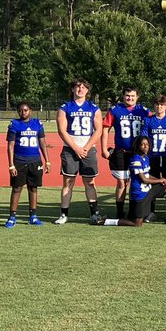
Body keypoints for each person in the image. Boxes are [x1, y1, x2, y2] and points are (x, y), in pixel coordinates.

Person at [97, 136, 166, 227]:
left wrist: (159, 180)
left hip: (148, 190)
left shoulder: (146, 158)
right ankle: (106, 221)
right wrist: (160, 180)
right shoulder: (135, 159)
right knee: (137, 223)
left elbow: (147, 175)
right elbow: (143, 179)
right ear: (137, 146)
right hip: (139, 194)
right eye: (142, 144)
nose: (145, 146)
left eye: (147, 144)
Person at [55, 79, 103, 224]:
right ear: (73, 89)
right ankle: (64, 214)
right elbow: (62, 131)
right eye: (77, 87)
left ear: (87, 90)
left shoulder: (94, 108)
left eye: (83, 87)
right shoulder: (65, 107)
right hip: (70, 149)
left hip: (88, 149)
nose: (80, 89)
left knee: (90, 182)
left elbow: (98, 130)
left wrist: (86, 148)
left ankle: (94, 213)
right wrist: (76, 148)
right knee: (68, 182)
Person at [101, 86, 149, 220]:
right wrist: (104, 148)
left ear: (137, 97)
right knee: (122, 182)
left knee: (138, 182)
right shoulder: (115, 110)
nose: (130, 98)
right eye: (127, 95)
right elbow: (105, 129)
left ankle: (138, 210)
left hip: (137, 154)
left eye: (133, 96)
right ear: (123, 96)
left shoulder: (143, 111)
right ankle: (120, 211)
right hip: (121, 152)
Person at [4, 101, 51, 227]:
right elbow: (10, 146)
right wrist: (11, 164)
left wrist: (47, 160)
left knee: (33, 188)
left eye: (25, 110)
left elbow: (42, 143)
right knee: (17, 188)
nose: (23, 112)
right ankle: (12, 217)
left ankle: (33, 216)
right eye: (20, 110)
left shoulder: (37, 124)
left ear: (30, 110)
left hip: (35, 160)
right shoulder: (15, 124)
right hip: (19, 160)